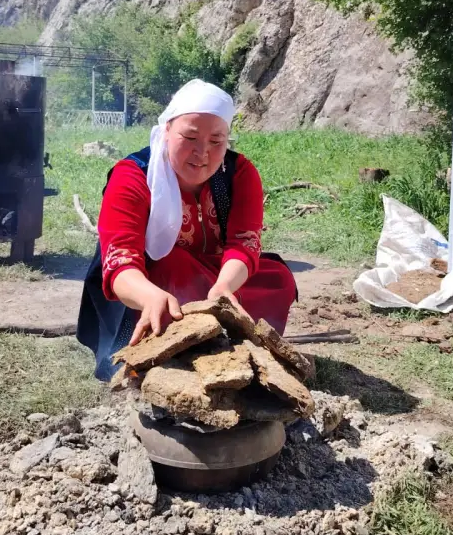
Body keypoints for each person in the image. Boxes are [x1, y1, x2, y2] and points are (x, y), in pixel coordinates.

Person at [77, 79, 297, 380]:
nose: (202, 152)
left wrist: (223, 289)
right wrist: (149, 297)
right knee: (173, 264)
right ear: (167, 129)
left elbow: (244, 243)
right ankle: (169, 350)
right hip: (150, 283)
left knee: (278, 278)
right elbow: (119, 261)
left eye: (216, 141)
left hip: (216, 274)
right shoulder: (133, 176)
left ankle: (230, 342)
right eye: (190, 137)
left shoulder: (239, 173)